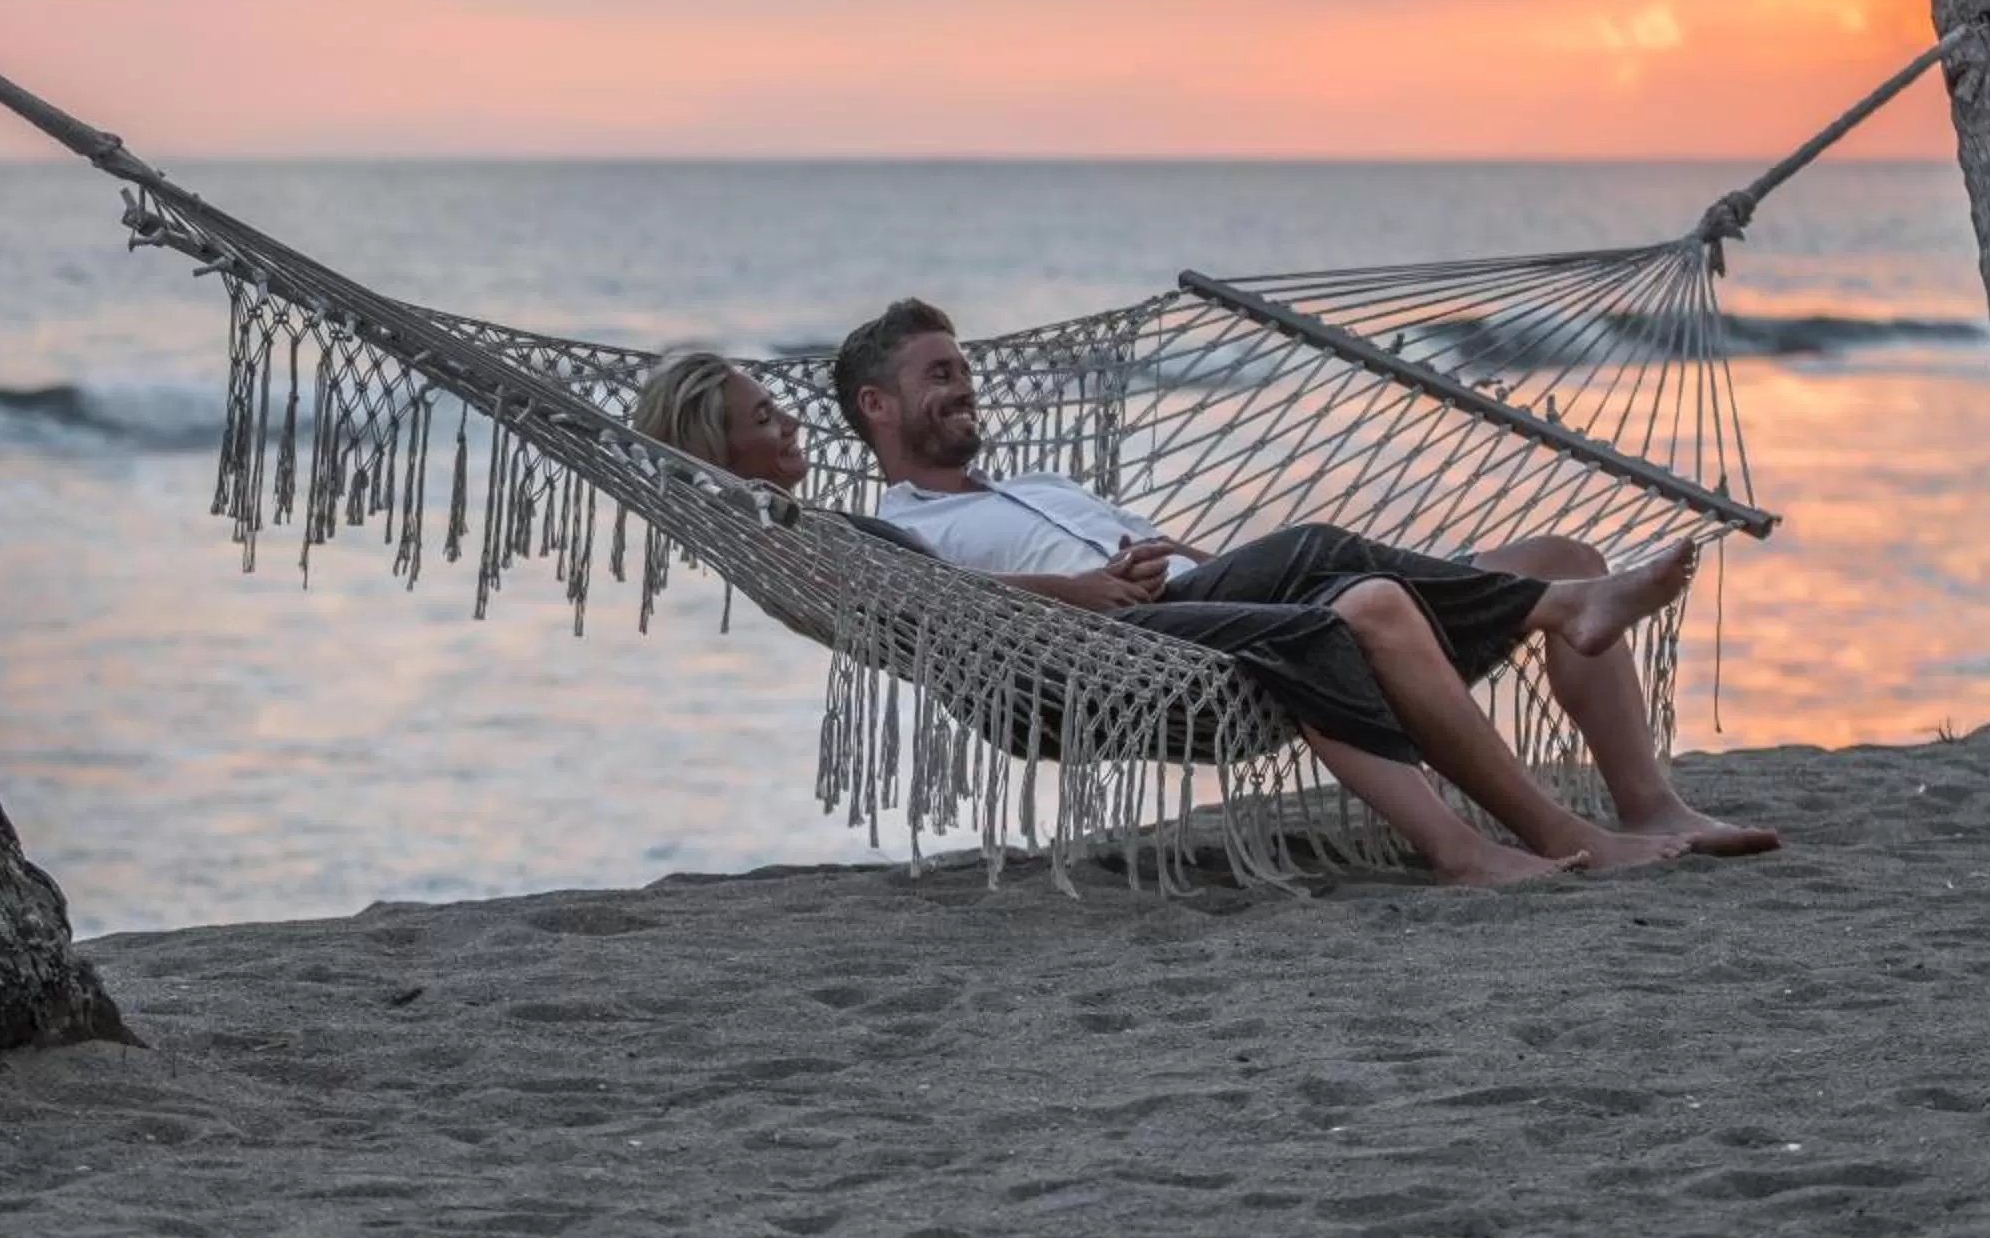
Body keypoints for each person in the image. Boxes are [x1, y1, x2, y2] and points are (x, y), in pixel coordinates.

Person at [627, 323, 1777, 887]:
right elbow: (934, 608)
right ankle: (1526, 822)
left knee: (1553, 550)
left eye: (963, 369)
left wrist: (1138, 560)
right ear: (877, 404)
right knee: (1348, 578)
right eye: (940, 376)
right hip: (1089, 658)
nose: (964, 386)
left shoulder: (1020, 486)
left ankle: (1650, 801)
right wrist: (1080, 587)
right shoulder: (864, 529)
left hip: (1178, 605)